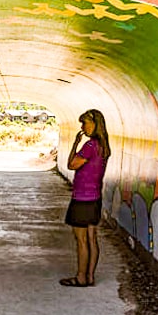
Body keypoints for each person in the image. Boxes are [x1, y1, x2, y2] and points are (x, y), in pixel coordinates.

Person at [60, 109, 111, 287]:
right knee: (91, 238)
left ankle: (81, 277)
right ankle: (90, 276)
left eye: (85, 123)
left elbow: (71, 164)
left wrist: (75, 144)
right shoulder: (104, 146)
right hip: (95, 197)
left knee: (81, 240)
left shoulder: (90, 146)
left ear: (95, 123)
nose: (82, 127)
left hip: (82, 199)